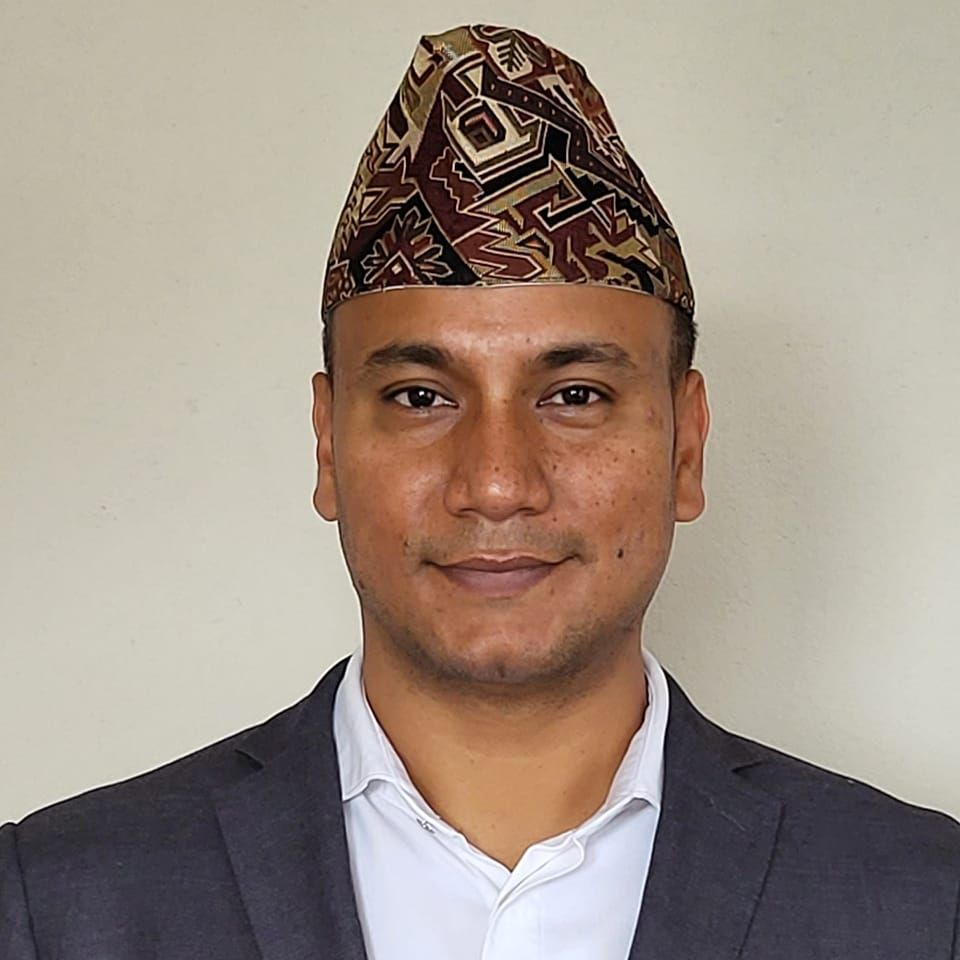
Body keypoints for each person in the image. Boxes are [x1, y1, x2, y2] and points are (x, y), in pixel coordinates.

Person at [2, 23, 957, 960]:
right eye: (421, 397)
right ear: (329, 447)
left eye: (575, 396)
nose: (497, 484)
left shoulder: (922, 905)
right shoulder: (58, 905)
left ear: (685, 449)